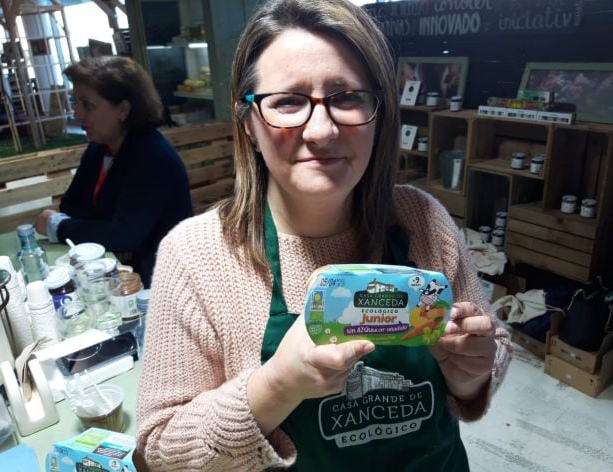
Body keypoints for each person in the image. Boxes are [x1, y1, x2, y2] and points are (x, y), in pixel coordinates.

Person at [136, 0, 511, 470]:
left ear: (379, 112)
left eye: (346, 97)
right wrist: (277, 386)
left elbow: (489, 353)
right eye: (288, 102)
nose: (321, 129)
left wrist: (472, 373)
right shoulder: (196, 255)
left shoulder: (422, 219)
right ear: (248, 123)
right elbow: (159, 454)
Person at [35, 56, 193, 286]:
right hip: (116, 271)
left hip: (162, 281)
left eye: (87, 104)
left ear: (123, 109)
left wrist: (57, 226)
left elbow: (123, 234)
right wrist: (109, 239)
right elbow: (71, 204)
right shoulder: (99, 148)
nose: (77, 113)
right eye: (75, 101)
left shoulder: (152, 157)